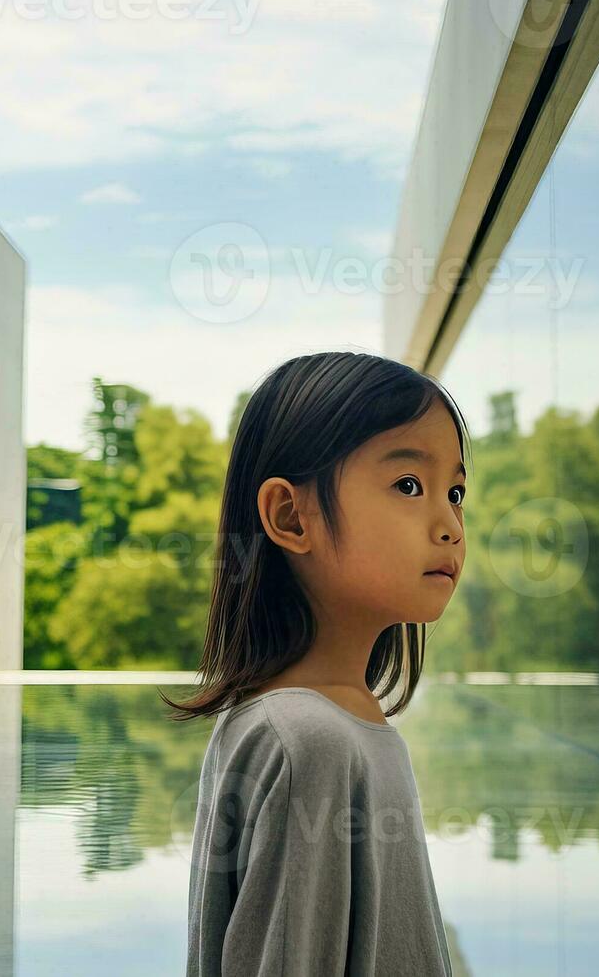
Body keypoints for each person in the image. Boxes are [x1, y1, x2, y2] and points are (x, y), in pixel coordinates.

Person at [168, 351, 461, 977]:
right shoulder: (309, 740)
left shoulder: (335, 724)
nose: (450, 524)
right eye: (409, 485)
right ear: (289, 515)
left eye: (456, 492)